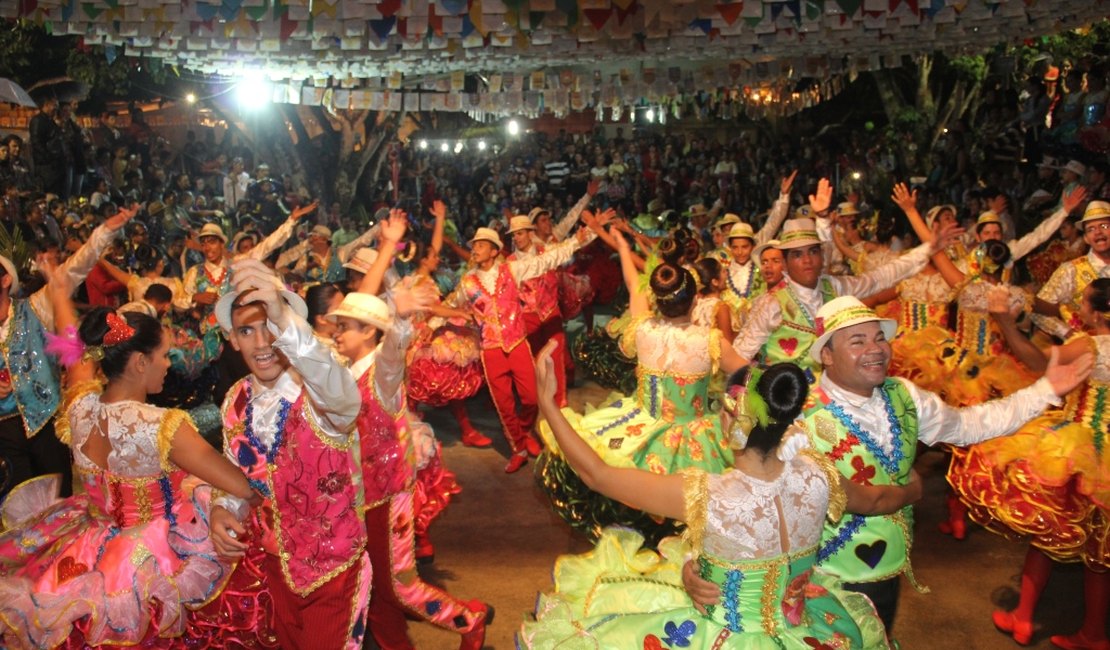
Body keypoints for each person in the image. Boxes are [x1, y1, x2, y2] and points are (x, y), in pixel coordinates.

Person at [683, 296, 1093, 635]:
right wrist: (693, 564)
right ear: (826, 355)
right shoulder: (797, 411)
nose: (876, 348)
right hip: (815, 581)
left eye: (880, 338)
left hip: (887, 572)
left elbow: (972, 424)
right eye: (857, 341)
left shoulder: (905, 395)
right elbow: (741, 492)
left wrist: (1045, 390)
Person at [521, 344, 922, 649]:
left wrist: (549, 407)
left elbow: (597, 474)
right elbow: (874, 501)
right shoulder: (819, 476)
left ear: (730, 422)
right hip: (806, 630)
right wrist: (913, 488)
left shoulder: (708, 495)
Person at [0, 265, 259, 648]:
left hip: (87, 544)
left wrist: (59, 296)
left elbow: (77, 351)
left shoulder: (80, 407)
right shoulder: (162, 425)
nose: (168, 365)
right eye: (164, 356)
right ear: (140, 361)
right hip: (149, 559)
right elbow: (241, 485)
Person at [536, 229, 747, 542]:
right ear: (693, 301)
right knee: (692, 513)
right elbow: (746, 374)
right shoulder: (709, 341)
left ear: (658, 302)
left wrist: (622, 246)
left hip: (638, 420)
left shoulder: (642, 329)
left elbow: (634, 285)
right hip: (692, 432)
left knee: (632, 493)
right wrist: (734, 408)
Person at [207, 259, 370, 649]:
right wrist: (221, 508)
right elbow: (238, 476)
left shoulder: (318, 390)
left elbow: (346, 403)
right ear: (232, 338)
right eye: (247, 330)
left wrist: (288, 326)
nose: (262, 344)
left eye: (272, 328)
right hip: (276, 573)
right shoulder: (235, 400)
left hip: (334, 573)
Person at [328, 289, 493, 650]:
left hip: (387, 497)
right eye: (337, 326)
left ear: (370, 332)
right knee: (372, 584)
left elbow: (392, 355)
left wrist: (400, 321)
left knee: (401, 587)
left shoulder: (381, 373)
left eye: (346, 327)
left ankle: (467, 619)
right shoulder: (346, 371)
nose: (337, 333)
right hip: (360, 496)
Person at [951, 281, 1110, 649]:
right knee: (1101, 550)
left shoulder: (1091, 346)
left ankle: (1022, 618)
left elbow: (1041, 364)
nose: (1077, 307)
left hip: (1077, 450)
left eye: (1083, 302)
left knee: (1047, 532)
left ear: (1097, 312)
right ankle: (1094, 632)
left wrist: (1005, 323)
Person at [0, 203, 139, 501]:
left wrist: (105, 232)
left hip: (46, 425)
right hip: (3, 435)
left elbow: (74, 270)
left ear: (5, 280)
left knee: (59, 503)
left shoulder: (35, 308)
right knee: (16, 510)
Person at [444, 218, 599, 473]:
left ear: (494, 251)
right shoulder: (468, 282)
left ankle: (525, 429)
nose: (475, 248)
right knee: (504, 404)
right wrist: (429, 318)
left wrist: (585, 236)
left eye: (481, 244)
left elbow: (548, 259)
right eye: (474, 245)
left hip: (516, 343)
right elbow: (451, 304)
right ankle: (518, 447)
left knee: (530, 398)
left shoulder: (511, 270)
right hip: (491, 350)